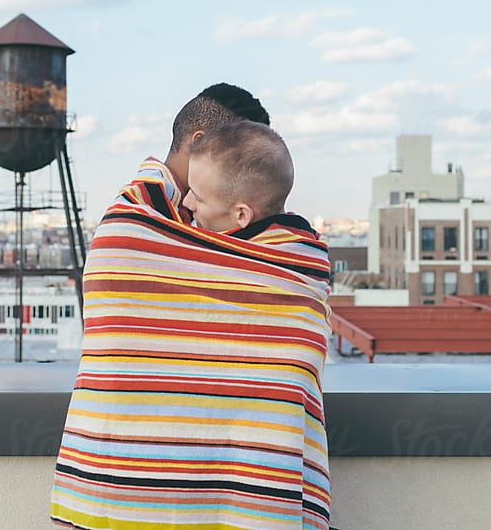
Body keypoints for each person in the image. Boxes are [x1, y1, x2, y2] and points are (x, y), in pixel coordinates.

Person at [50, 114, 333, 529]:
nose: (185, 203)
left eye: (198, 195)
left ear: (240, 215)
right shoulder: (305, 270)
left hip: (130, 497)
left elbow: (121, 230)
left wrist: (156, 172)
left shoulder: (294, 277)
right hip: (253, 502)